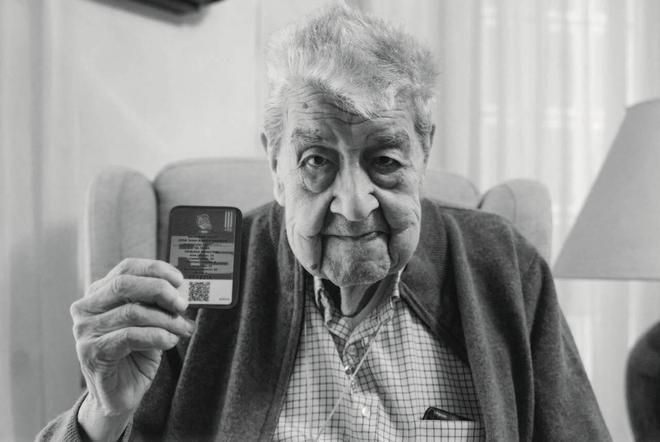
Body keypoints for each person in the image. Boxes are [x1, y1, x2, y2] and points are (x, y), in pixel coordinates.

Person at [38, 4, 611, 441]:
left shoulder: (503, 264)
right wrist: (101, 415)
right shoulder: (203, 278)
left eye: (385, 161)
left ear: (423, 153)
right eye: (316, 161)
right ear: (275, 164)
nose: (354, 205)